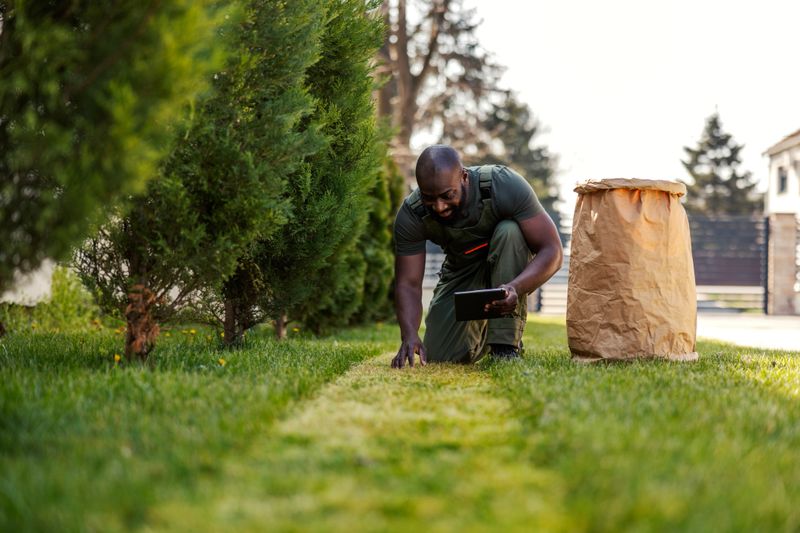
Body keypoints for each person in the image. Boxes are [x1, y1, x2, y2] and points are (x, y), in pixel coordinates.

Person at [391, 144, 563, 368]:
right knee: (441, 358)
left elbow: (553, 250)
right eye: (429, 198)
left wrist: (516, 288)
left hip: (507, 263)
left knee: (509, 230)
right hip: (461, 269)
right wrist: (409, 334)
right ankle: (485, 339)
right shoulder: (411, 214)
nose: (439, 207)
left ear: (464, 177)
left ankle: (505, 346)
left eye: (447, 195)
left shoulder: (503, 185)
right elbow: (408, 284)